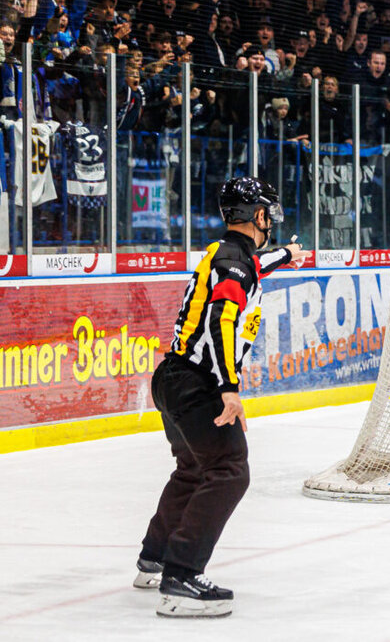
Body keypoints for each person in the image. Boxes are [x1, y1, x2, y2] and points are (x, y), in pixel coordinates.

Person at [133, 177, 307, 617]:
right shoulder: (236, 264)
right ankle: (182, 576)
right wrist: (229, 388)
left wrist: (287, 255)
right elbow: (222, 321)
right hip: (198, 385)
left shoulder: (224, 253)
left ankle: (153, 558)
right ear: (259, 216)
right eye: (268, 213)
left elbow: (250, 266)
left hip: (170, 379)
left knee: (193, 469)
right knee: (230, 470)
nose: (272, 222)